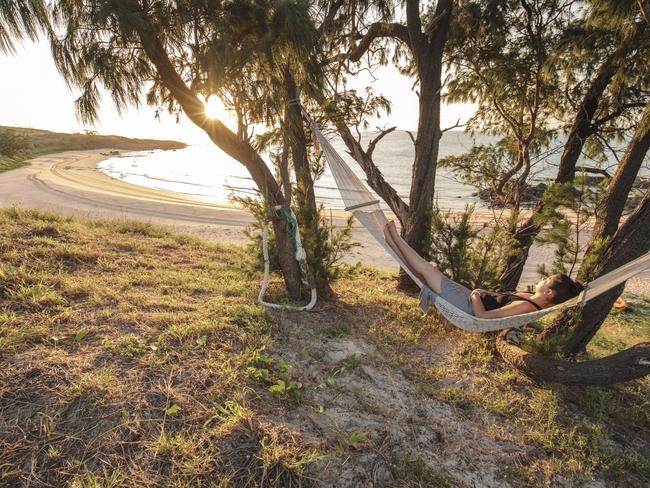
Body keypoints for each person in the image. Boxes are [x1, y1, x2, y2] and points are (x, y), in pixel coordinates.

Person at [383, 221, 583, 318]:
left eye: (546, 279)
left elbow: (484, 317)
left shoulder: (528, 307)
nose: (542, 279)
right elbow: (500, 299)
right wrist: (483, 293)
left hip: (466, 305)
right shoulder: (531, 298)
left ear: (548, 292)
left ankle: (396, 239)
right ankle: (394, 243)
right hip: (468, 297)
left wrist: (477, 296)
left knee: (426, 270)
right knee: (424, 273)